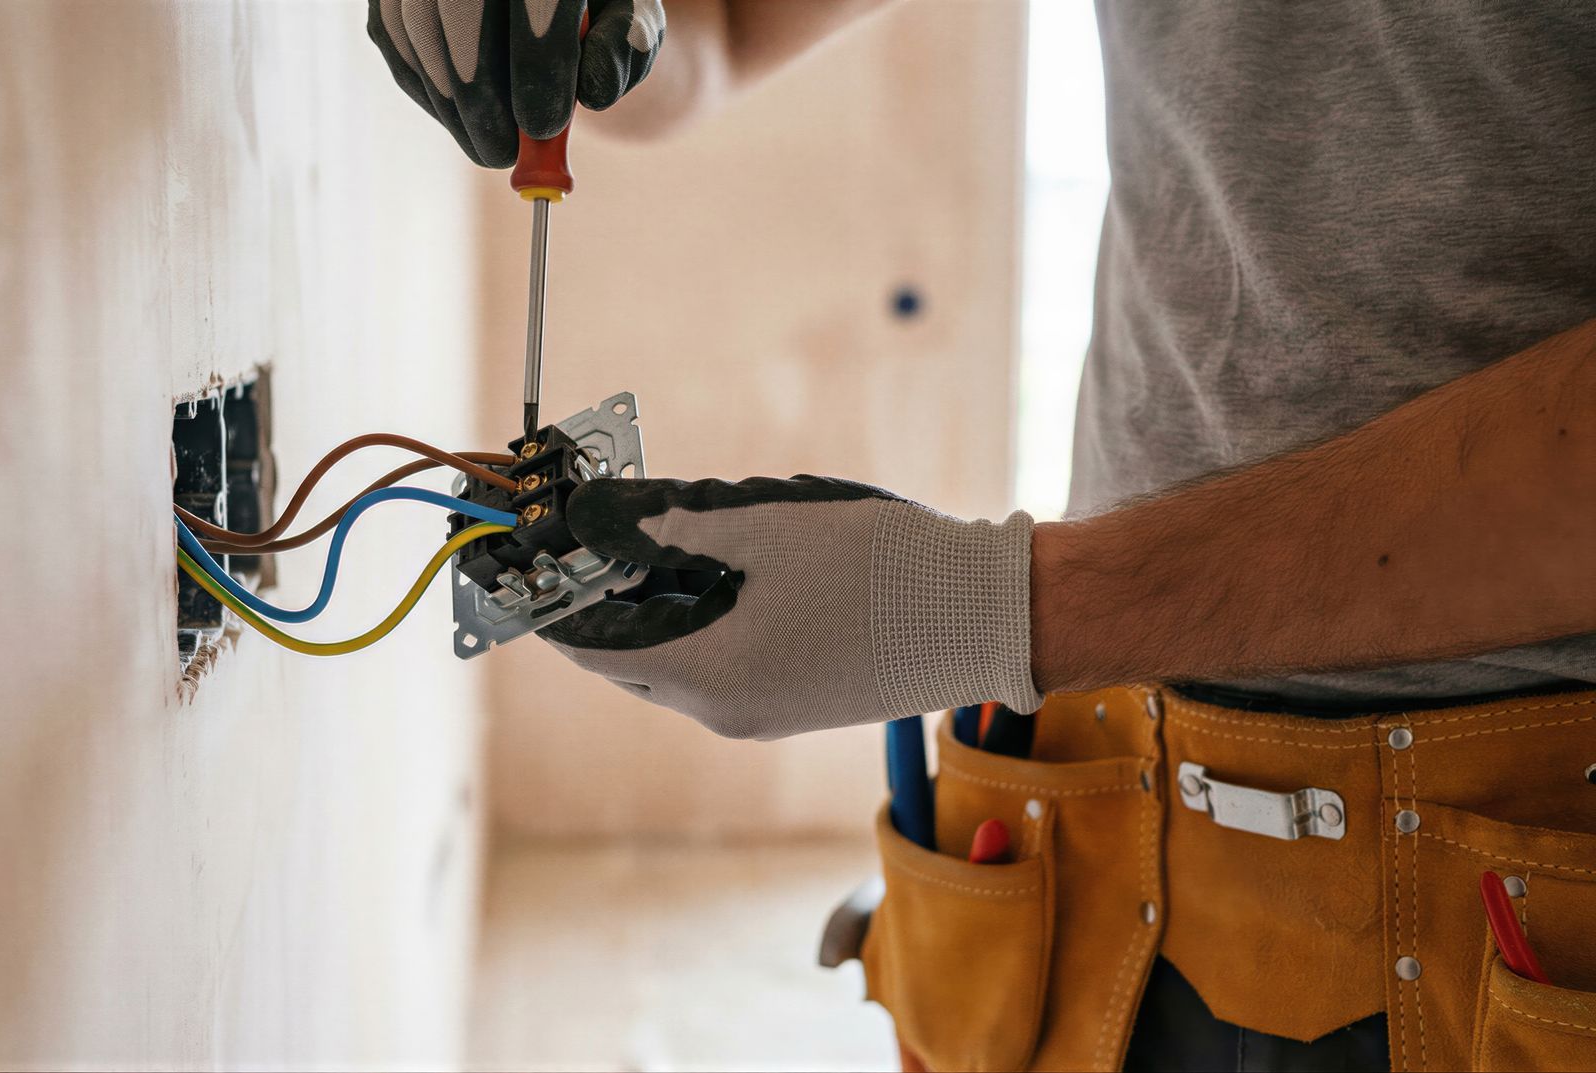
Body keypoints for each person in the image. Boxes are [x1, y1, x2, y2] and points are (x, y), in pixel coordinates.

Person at [370, 3, 1596, 1071]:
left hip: (1537, 892)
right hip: (1110, 810)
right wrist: (602, 26)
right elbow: (725, 28)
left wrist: (993, 609)